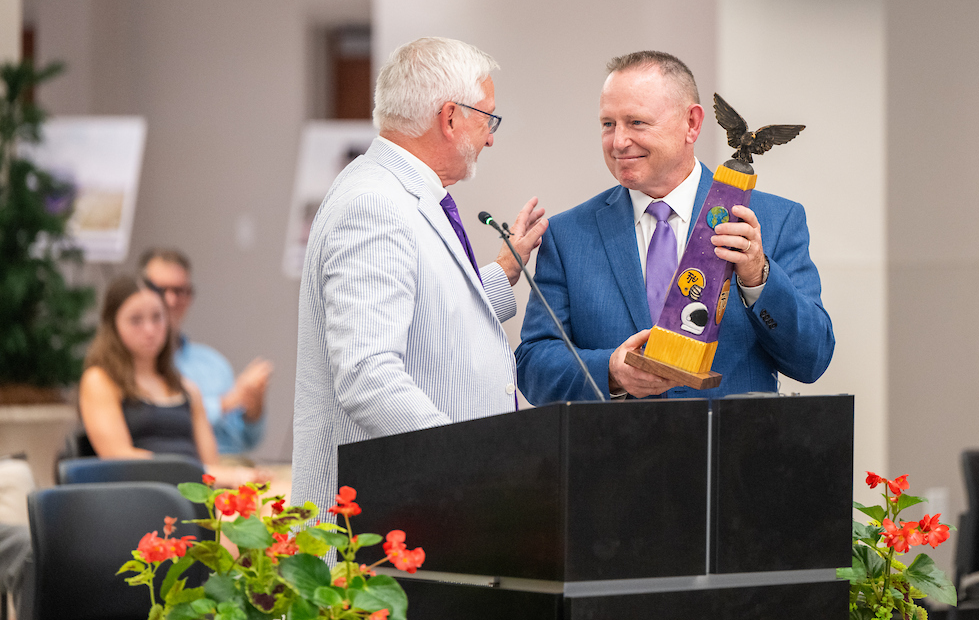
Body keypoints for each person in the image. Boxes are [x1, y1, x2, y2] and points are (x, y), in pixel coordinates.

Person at [292, 36, 547, 515]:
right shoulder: (374, 206)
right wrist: (468, 464)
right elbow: (367, 375)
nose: (490, 138)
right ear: (449, 118)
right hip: (383, 522)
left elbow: (431, 315)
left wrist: (504, 270)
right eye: (487, 119)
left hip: (416, 507)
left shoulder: (397, 193)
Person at [516, 50, 834, 402]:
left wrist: (758, 277)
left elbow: (813, 359)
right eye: (608, 124)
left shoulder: (774, 220)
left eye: (637, 122)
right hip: (618, 438)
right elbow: (533, 365)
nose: (618, 141)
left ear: (692, 124)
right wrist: (611, 372)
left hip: (733, 437)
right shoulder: (567, 236)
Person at [77, 275, 260, 487]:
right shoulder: (100, 381)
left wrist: (236, 477)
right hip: (146, 493)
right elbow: (118, 457)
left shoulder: (187, 389)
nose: (149, 330)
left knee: (278, 493)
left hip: (196, 489)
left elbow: (211, 465)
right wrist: (206, 473)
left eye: (157, 318)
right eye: (136, 320)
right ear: (113, 325)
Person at [140, 248, 271, 457]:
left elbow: (245, 440)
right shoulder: (137, 365)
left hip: (227, 463)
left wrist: (252, 404)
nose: (171, 300)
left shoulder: (214, 363)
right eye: (161, 290)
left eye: (180, 291)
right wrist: (227, 402)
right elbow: (159, 424)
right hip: (177, 466)